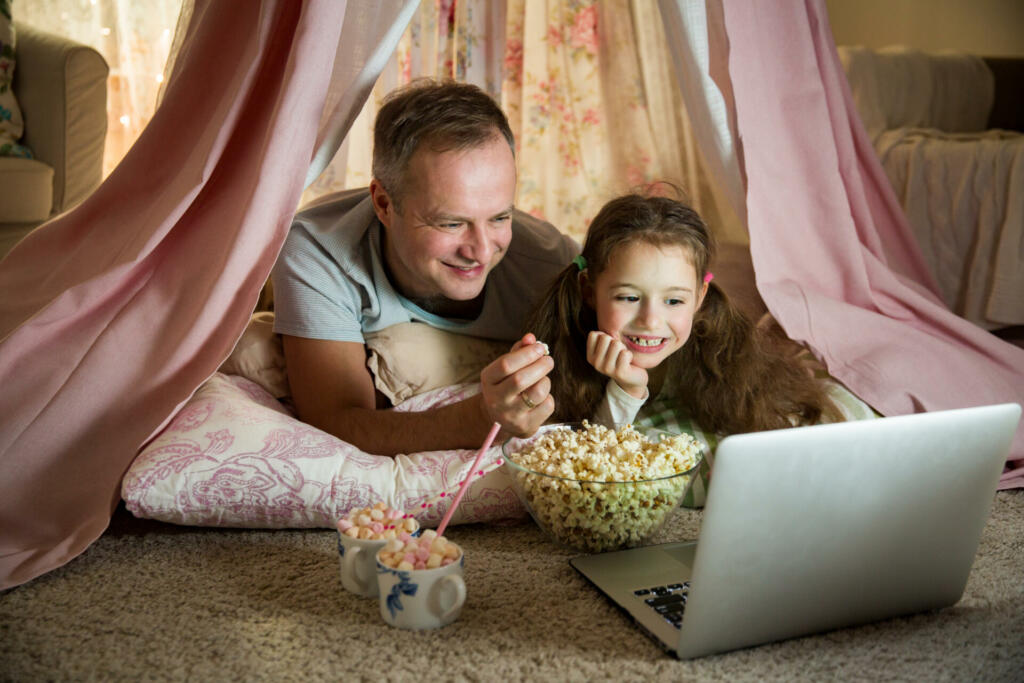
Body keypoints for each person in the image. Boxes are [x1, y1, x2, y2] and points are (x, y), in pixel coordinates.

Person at [272, 79, 578, 455]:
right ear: (383, 204)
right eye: (451, 223)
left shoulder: (552, 264)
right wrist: (483, 418)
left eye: (500, 218)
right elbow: (336, 421)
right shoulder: (317, 251)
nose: (481, 250)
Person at [524, 190, 843, 435]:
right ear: (589, 291)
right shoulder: (559, 357)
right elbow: (587, 465)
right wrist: (628, 389)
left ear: (700, 297)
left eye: (674, 301)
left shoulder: (722, 357)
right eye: (629, 297)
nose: (650, 321)